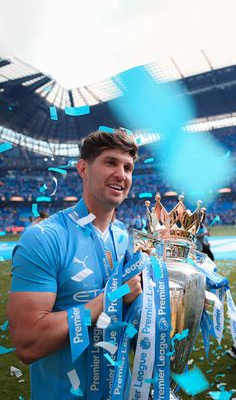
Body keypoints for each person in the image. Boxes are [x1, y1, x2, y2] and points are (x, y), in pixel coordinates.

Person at [7, 129, 141, 399]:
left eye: (127, 167)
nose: (121, 174)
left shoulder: (126, 239)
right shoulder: (44, 238)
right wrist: (112, 297)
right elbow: (28, 342)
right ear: (83, 168)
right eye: (110, 162)